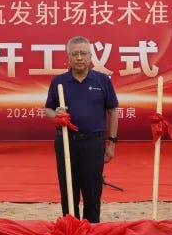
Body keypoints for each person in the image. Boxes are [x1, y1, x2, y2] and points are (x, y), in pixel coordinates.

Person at [44, 36, 120, 224]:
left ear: (90, 56)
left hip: (94, 142)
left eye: (83, 53)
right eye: (75, 54)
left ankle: (91, 234)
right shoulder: (59, 82)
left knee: (92, 191)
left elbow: (112, 111)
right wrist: (57, 115)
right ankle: (71, 232)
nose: (79, 58)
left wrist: (111, 142)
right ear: (68, 58)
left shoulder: (102, 80)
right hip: (66, 141)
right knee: (69, 189)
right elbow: (48, 108)